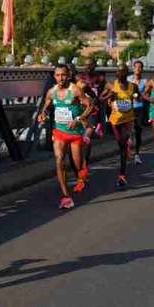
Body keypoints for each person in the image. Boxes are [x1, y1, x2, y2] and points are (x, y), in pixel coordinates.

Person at [37, 64, 94, 208]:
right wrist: (43, 114)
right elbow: (47, 105)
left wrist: (79, 119)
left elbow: (90, 105)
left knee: (77, 165)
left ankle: (81, 175)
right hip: (59, 132)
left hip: (74, 133)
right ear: (54, 77)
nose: (60, 78)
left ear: (68, 75)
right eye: (57, 75)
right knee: (59, 160)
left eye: (63, 75)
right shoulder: (51, 92)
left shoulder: (75, 90)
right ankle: (65, 196)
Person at [101, 64, 139, 187]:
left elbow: (138, 97)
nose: (120, 73)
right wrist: (109, 96)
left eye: (123, 71)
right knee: (120, 143)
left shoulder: (133, 86)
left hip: (128, 119)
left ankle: (122, 175)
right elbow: (100, 98)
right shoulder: (111, 85)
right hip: (115, 119)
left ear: (127, 73)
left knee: (122, 146)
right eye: (118, 71)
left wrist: (136, 97)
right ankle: (127, 146)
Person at [76, 58, 106, 181]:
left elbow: (108, 90)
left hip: (93, 112)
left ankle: (84, 166)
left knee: (85, 141)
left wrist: (100, 98)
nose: (88, 67)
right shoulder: (79, 78)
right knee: (79, 143)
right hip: (80, 110)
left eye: (90, 65)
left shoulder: (99, 78)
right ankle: (81, 167)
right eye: (86, 65)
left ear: (94, 66)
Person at [127, 60, 147, 165]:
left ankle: (137, 154)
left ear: (142, 69)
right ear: (133, 68)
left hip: (139, 107)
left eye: (140, 67)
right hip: (128, 108)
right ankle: (129, 145)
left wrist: (140, 96)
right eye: (136, 67)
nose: (138, 69)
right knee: (130, 130)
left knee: (138, 131)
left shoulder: (145, 81)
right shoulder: (128, 79)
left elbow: (145, 94)